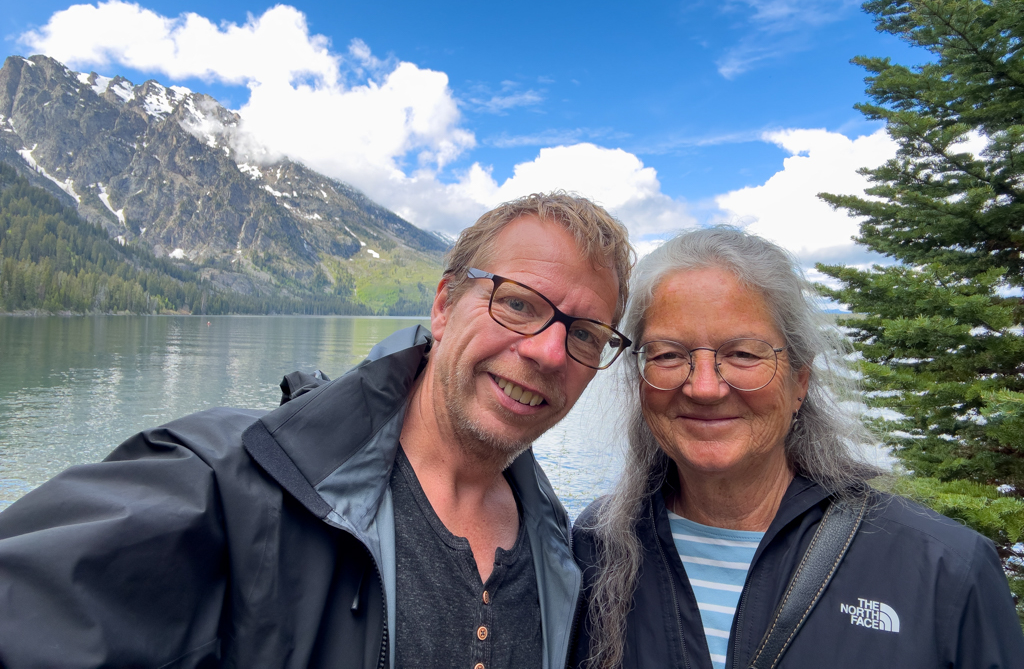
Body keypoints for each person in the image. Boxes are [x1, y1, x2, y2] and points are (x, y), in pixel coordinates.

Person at [0, 192, 634, 669]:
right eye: (517, 302)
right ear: (444, 306)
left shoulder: (567, 554)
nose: (549, 352)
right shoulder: (232, 480)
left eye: (584, 335)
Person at [572, 227, 1024, 669]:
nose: (705, 388)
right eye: (668, 354)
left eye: (744, 354)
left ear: (800, 381)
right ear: (640, 380)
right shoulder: (597, 546)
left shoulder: (944, 569)